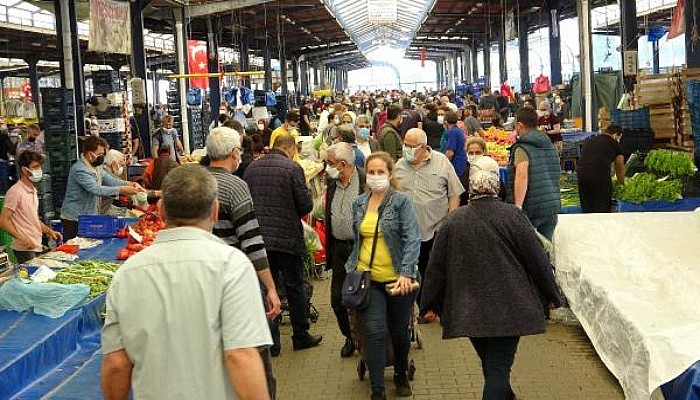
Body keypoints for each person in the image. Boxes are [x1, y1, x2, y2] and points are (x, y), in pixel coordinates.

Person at [101, 165, 272, 400]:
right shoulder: (232, 266)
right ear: (215, 210)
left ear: (160, 211)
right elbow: (240, 355)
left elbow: (117, 363)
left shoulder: (128, 273)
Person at [420, 156, 562, 400]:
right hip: (511, 306)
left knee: (493, 368)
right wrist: (552, 295)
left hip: (468, 309)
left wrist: (429, 303)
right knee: (497, 369)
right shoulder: (513, 217)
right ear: (498, 188)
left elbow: (436, 266)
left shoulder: (453, 221)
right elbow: (537, 259)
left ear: (471, 191)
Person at [205, 127, 281, 398]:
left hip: (203, 283)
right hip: (235, 282)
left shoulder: (194, 180)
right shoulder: (235, 186)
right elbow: (252, 241)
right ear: (234, 153)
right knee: (255, 354)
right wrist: (270, 287)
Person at [344, 152, 420, 400]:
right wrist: (351, 267)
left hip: (399, 281)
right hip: (368, 280)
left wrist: (407, 273)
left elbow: (412, 238)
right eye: (372, 172)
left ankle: (399, 373)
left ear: (389, 174)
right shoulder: (359, 203)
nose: (375, 177)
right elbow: (357, 240)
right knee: (374, 331)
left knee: (399, 331)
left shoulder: (401, 202)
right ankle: (377, 389)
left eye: (380, 172)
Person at [243, 135, 322, 354]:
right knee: (294, 287)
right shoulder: (292, 168)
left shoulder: (251, 169)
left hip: (258, 239)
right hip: (287, 238)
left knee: (268, 288)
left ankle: (272, 342)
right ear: (288, 149)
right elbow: (305, 205)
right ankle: (300, 335)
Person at [396, 129, 463, 322]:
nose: (406, 149)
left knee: (435, 270)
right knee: (414, 271)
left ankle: (440, 308)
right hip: (408, 232)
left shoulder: (442, 162)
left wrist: (450, 221)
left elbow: (454, 194)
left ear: (425, 147)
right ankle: (424, 308)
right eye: (405, 145)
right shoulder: (399, 166)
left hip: (436, 228)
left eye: (411, 146)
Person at [324, 142, 366, 358]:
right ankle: (350, 336)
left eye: (329, 163)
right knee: (337, 299)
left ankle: (365, 339)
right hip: (340, 249)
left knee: (362, 298)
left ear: (343, 164)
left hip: (362, 250)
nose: (326, 167)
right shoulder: (332, 183)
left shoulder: (366, 181)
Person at [61, 136, 143, 240]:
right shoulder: (80, 169)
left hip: (89, 216)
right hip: (74, 219)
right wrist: (121, 189)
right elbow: (96, 189)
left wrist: (130, 184)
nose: (102, 157)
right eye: (100, 154)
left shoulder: (97, 167)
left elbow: (110, 181)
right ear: (90, 154)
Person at [506, 107, 561, 240]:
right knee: (545, 249)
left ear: (519, 125)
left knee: (529, 252)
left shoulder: (522, 148)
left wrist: (517, 206)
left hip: (532, 208)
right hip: (551, 206)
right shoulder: (549, 145)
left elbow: (522, 175)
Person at [0, 151, 62, 263]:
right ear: (24, 169)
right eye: (35, 167)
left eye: (39, 166)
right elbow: (3, 221)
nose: (39, 170)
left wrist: (49, 231)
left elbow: (33, 219)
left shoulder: (33, 190)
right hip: (24, 249)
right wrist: (21, 238)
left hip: (36, 244)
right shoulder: (15, 192)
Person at [578, 124, 625, 213]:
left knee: (587, 207)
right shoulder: (615, 144)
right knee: (602, 207)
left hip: (581, 174)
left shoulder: (590, 140)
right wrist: (621, 184)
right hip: (599, 175)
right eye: (619, 138)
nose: (619, 140)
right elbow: (619, 168)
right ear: (615, 135)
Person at [99, 149, 127, 214]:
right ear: (114, 164)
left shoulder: (108, 172)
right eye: (121, 165)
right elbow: (121, 188)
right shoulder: (105, 174)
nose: (122, 168)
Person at [443, 111, 467, 178]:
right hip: (462, 163)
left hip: (456, 165)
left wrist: (443, 164)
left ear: (446, 122)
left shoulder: (452, 132)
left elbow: (450, 153)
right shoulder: (458, 130)